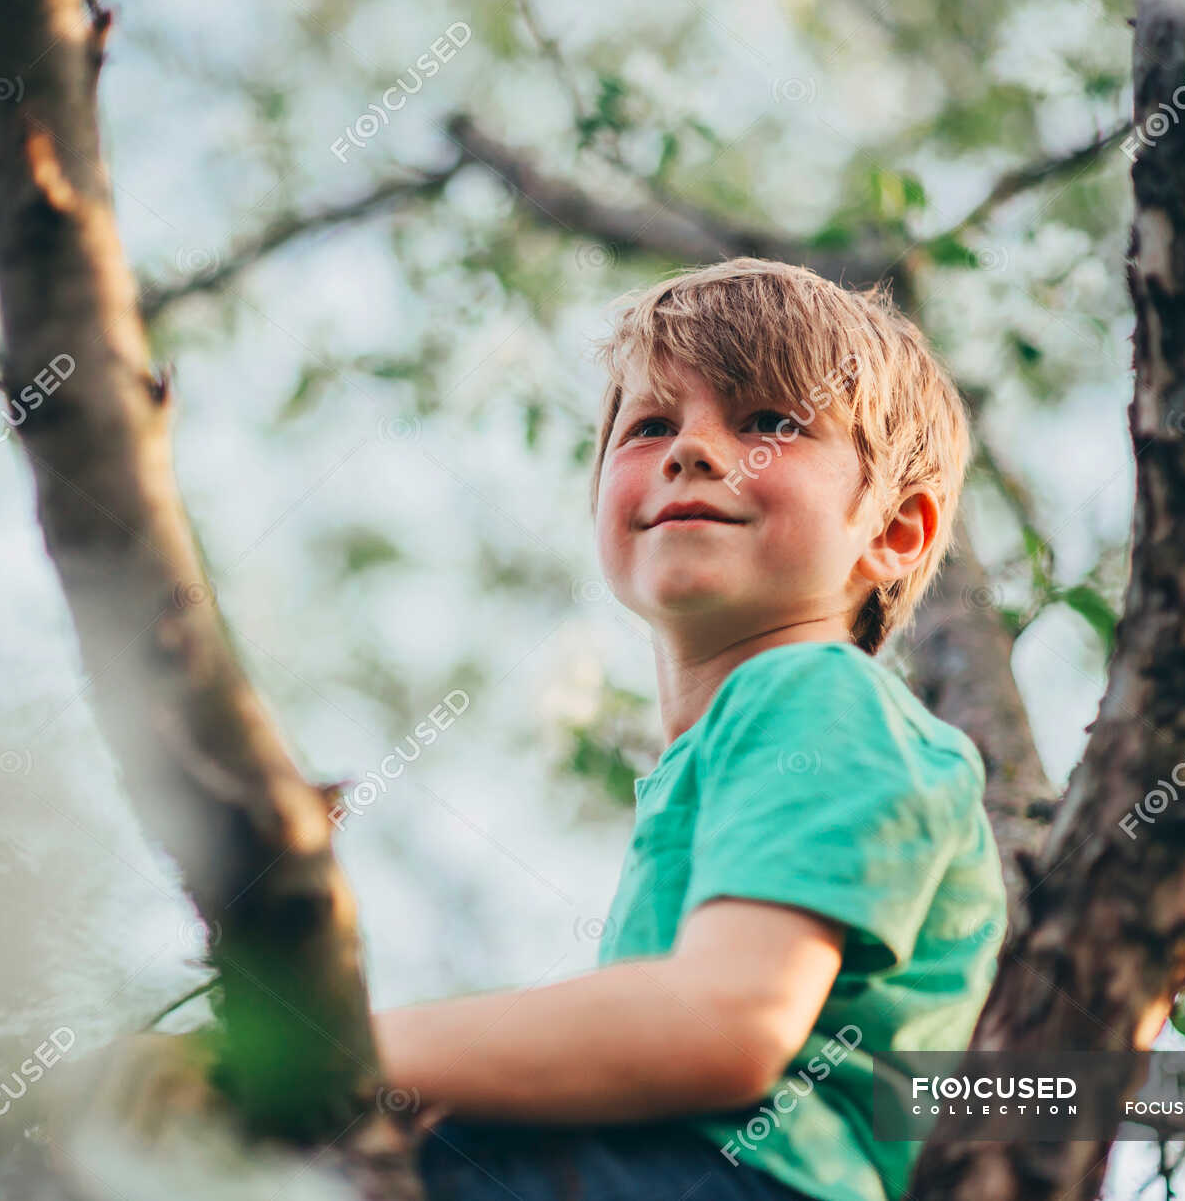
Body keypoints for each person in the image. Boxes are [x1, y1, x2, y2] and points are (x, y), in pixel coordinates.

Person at [372, 258, 1010, 1201]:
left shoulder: (816, 693)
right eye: (651, 425)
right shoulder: (728, 753)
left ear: (897, 532)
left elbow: (726, 1026)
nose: (694, 451)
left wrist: (346, 1055)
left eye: (769, 422)